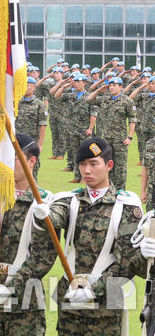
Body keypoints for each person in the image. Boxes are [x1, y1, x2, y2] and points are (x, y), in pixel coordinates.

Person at [33, 137, 145, 335]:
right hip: (71, 303)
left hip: (105, 309)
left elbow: (127, 264)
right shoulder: (70, 200)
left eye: (93, 164)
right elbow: (56, 216)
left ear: (109, 165)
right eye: (82, 164)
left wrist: (93, 288)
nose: (86, 170)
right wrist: (44, 215)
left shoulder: (125, 206)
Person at [0, 134, 56, 336]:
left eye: (11, 158)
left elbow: (44, 257)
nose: (5, 164)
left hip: (25, 295)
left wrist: (11, 287)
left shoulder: (44, 203)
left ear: (31, 161)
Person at [86, 76, 136, 190]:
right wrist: (99, 90)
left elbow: (133, 120)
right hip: (107, 139)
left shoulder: (127, 101)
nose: (111, 87)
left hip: (120, 139)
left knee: (120, 167)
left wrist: (130, 137)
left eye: (114, 85)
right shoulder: (105, 99)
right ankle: (109, 188)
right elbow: (88, 100)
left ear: (121, 87)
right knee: (108, 164)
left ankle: (120, 190)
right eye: (110, 85)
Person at [54, 74, 97, 184]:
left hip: (84, 130)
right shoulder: (71, 95)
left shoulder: (89, 97)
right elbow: (56, 96)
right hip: (73, 130)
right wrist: (64, 86)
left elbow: (93, 114)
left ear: (85, 83)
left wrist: (91, 128)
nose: (76, 83)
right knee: (75, 153)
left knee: (87, 154)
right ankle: (77, 176)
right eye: (75, 81)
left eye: (79, 82)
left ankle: (86, 177)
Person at [15, 77, 48, 179]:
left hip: (31, 142)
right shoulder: (17, 102)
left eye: (28, 85)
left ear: (34, 87)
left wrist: (40, 144)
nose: (25, 88)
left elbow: (43, 125)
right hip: (17, 142)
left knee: (32, 168)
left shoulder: (39, 105)